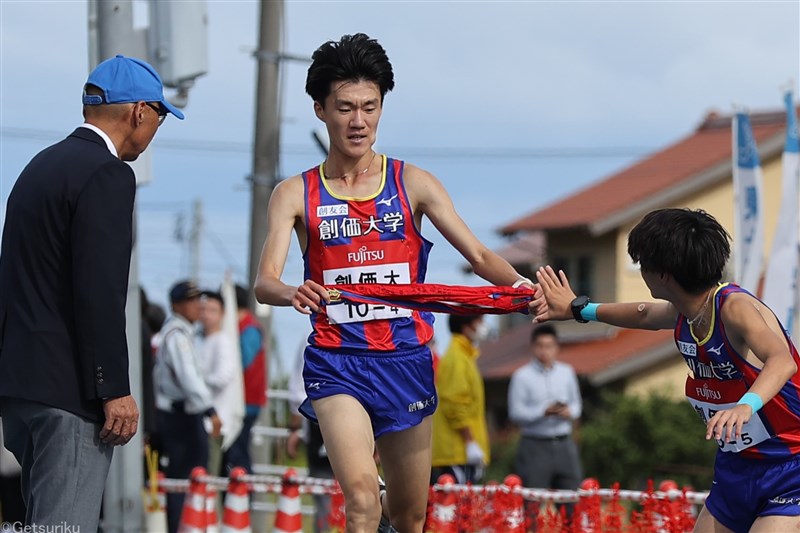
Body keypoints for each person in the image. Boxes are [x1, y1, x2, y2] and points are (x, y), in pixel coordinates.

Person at [253, 33, 534, 533]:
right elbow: (265, 282)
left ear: (382, 108)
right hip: (337, 361)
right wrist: (293, 291)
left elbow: (480, 255)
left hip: (405, 359)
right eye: (344, 108)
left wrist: (527, 291)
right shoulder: (294, 193)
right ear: (320, 110)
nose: (357, 121)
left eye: (369, 107)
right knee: (361, 497)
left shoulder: (413, 184)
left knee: (408, 516)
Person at [0, 54, 183, 529]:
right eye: (160, 115)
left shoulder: (39, 167)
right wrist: (114, 389)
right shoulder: (108, 173)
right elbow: (99, 291)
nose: (156, 128)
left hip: (21, 385)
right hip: (71, 392)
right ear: (139, 111)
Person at [533, 208, 800, 533]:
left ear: (663, 275)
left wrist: (746, 405)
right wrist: (579, 309)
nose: (640, 270)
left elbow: (782, 360)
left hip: (791, 466)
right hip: (737, 463)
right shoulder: (684, 313)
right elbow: (643, 315)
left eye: (642, 263)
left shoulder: (734, 308)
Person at [154, 280, 222, 533]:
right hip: (180, 417)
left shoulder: (182, 333)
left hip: (182, 414)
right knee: (185, 480)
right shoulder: (177, 336)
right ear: (176, 306)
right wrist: (210, 410)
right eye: (190, 301)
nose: (197, 306)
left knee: (188, 477)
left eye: (198, 300)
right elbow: (189, 379)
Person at [507, 324, 582, 516]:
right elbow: (516, 413)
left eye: (549, 346)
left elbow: (577, 406)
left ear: (557, 347)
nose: (544, 351)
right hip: (534, 445)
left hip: (564, 442)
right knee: (531, 504)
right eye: (540, 346)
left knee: (571, 500)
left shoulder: (567, 372)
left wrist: (568, 412)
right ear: (533, 347)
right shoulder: (521, 376)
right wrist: (543, 412)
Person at [431, 315, 491, 485]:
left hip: (460, 451)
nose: (484, 326)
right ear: (466, 327)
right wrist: (470, 441)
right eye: (479, 321)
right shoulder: (457, 358)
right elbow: (454, 402)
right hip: (456, 451)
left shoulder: (464, 355)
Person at [198, 290, 244, 476]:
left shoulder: (223, 341)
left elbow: (223, 376)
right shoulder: (199, 339)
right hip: (201, 419)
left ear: (223, 314)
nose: (206, 314)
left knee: (208, 478)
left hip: (216, 419)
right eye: (203, 309)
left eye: (212, 310)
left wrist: (195, 383)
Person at [224, 284, 268, 473]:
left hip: (246, 401)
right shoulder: (244, 327)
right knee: (234, 451)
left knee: (238, 452)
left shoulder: (248, 328)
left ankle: (242, 496)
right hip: (241, 400)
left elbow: (241, 361)